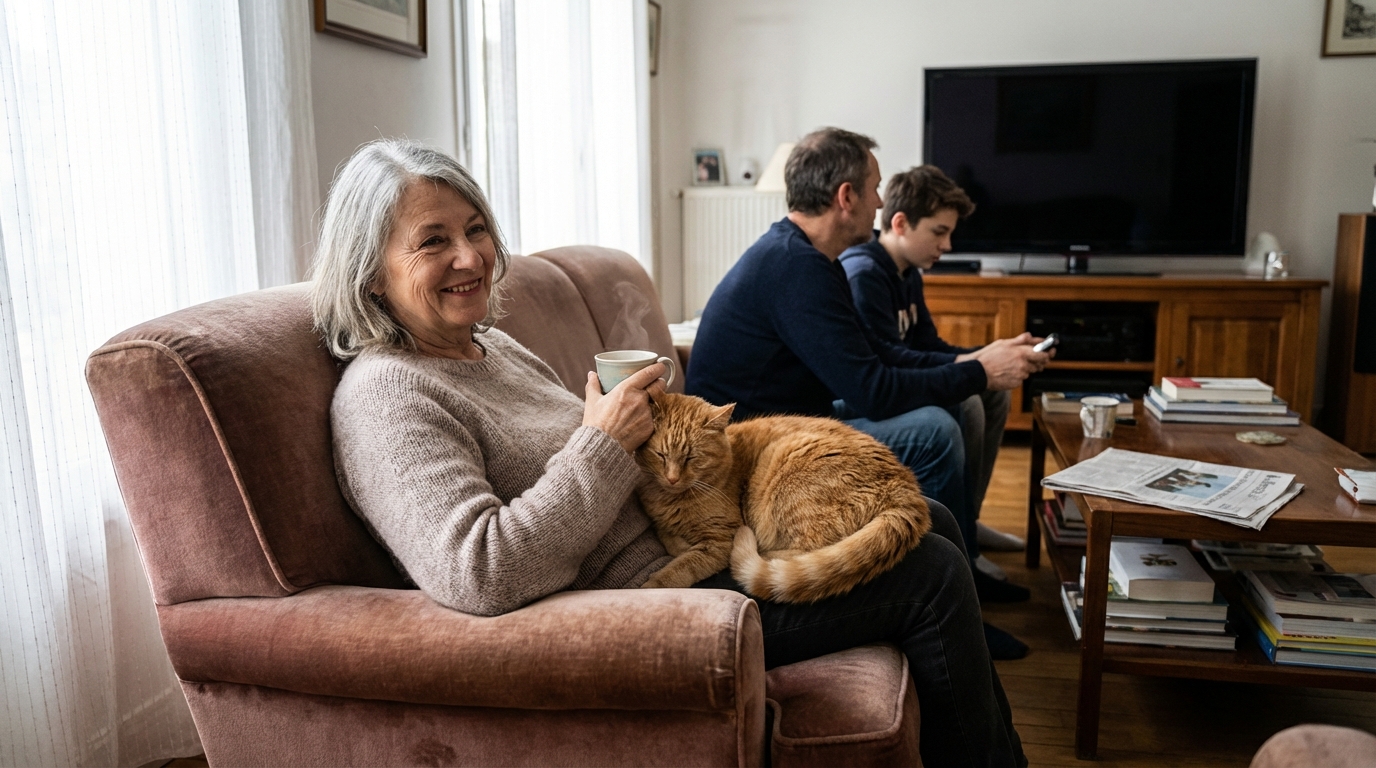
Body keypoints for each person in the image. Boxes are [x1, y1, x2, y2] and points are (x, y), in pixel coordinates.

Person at [312, 138, 1025, 766]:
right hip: (636, 605)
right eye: (432, 241)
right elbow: (481, 572)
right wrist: (602, 441)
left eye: (475, 230)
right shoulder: (387, 397)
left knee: (930, 518)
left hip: (681, 544)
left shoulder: (488, 346)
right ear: (371, 271)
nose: (470, 257)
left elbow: (588, 458)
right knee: (930, 571)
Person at [685, 127, 1048, 656]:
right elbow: (874, 389)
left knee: (962, 400)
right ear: (846, 196)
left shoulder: (811, 259)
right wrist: (976, 371)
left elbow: (876, 360)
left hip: (799, 419)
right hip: (761, 452)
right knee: (938, 431)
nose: (881, 201)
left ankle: (963, 560)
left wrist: (974, 363)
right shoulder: (796, 268)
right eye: (875, 188)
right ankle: (956, 592)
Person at [839, 165, 1047, 582]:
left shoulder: (907, 271)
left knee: (993, 392)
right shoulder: (864, 274)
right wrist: (975, 366)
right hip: (860, 396)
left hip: (894, 380)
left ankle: (968, 518)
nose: (947, 245)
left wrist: (985, 355)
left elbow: (928, 346)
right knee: (969, 399)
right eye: (938, 232)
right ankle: (960, 541)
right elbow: (890, 362)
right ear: (900, 223)